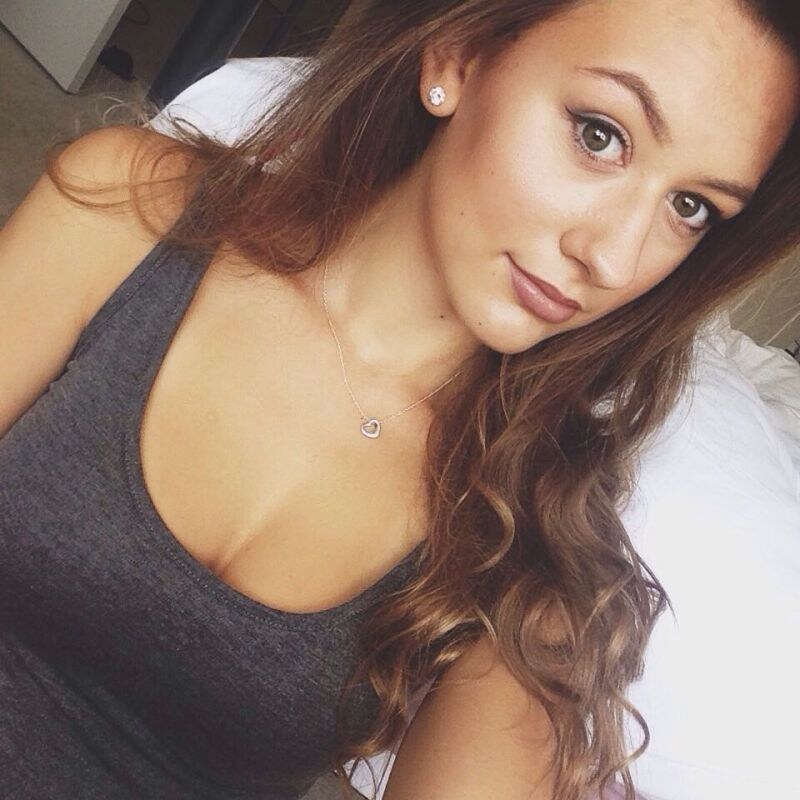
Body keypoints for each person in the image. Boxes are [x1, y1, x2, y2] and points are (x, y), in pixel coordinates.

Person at [0, 1, 797, 799]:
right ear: (457, 56)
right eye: (599, 134)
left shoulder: (532, 536)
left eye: (690, 207)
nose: (615, 258)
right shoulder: (131, 208)